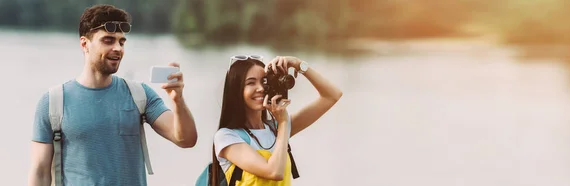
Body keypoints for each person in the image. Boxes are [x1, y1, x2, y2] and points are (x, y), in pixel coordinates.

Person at [27, 4, 197, 186]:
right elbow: (40, 172)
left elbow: (186, 139)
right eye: (108, 40)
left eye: (121, 42)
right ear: (84, 44)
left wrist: (177, 101)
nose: (118, 48)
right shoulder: (53, 102)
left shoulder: (139, 94)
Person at [210, 55, 343, 185]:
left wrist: (298, 64)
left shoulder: (276, 129)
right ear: (236, 90)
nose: (261, 88)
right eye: (251, 83)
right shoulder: (227, 136)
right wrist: (283, 122)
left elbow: (332, 96)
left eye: (264, 81)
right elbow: (274, 172)